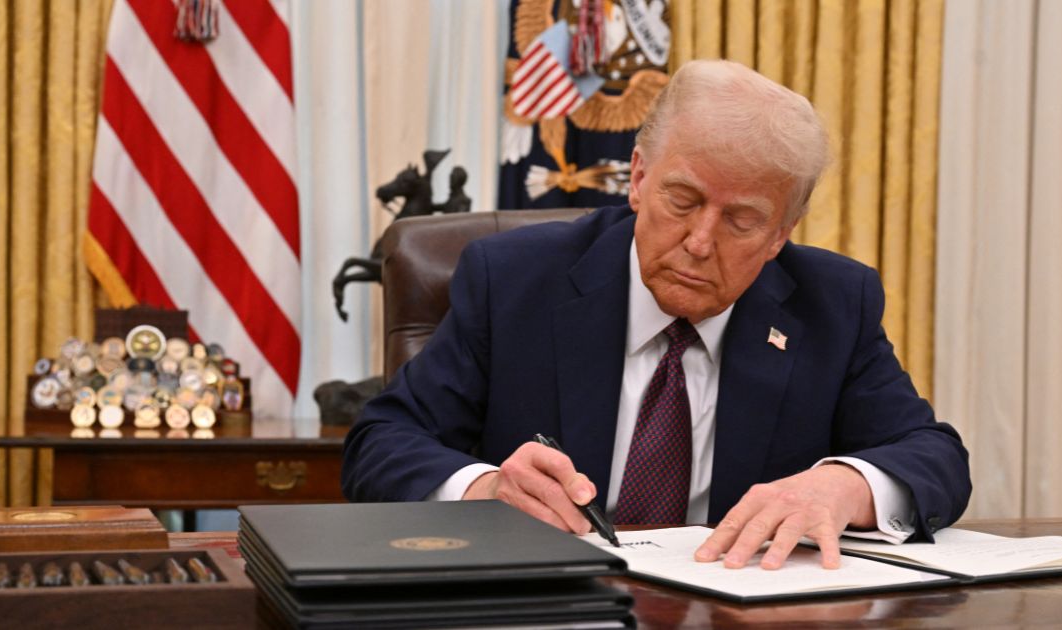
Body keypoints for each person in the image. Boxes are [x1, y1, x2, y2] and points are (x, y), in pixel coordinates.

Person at [342, 60, 971, 570]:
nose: (700, 240)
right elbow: (380, 444)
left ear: (781, 233)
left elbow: (934, 457)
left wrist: (844, 486)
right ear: (638, 178)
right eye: (683, 199)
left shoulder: (833, 303)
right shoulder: (513, 281)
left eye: (741, 220)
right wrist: (485, 491)